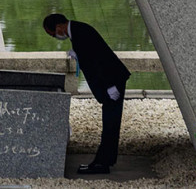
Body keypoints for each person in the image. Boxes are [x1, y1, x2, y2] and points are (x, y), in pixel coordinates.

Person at [43, 12, 131, 175]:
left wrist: (111, 86)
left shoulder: (80, 33)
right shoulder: (77, 31)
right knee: (110, 121)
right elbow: (90, 57)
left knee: (111, 122)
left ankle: (102, 164)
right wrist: (78, 56)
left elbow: (100, 61)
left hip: (112, 80)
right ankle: (106, 160)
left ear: (59, 27)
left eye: (54, 34)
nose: (56, 37)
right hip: (110, 80)